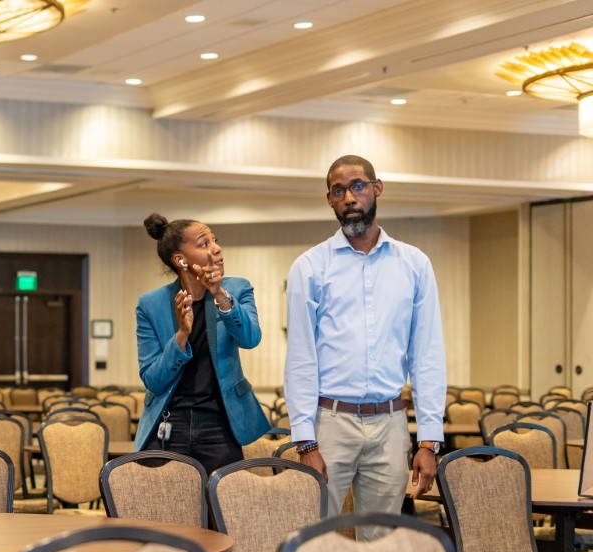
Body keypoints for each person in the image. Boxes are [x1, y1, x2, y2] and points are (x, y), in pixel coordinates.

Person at [284, 155, 446, 529]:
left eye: (357, 185)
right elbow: (301, 358)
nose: (349, 197)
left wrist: (429, 441)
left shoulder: (414, 264)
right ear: (330, 200)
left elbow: (427, 355)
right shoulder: (310, 267)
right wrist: (305, 441)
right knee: (313, 537)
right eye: (338, 191)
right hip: (329, 423)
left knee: (382, 542)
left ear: (377, 188)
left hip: (390, 423)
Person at [136, 213, 270, 473]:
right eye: (204, 244)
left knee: (222, 498)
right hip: (168, 423)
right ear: (180, 260)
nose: (217, 249)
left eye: (215, 241)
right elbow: (153, 380)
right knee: (161, 499)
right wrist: (182, 335)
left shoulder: (237, 289)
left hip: (220, 422)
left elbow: (250, 339)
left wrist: (220, 294)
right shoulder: (150, 304)